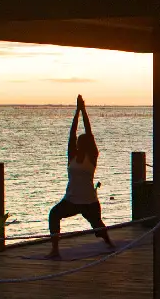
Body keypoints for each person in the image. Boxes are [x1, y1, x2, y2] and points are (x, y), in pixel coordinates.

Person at [48, 95, 114, 260]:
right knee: (54, 215)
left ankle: (109, 242)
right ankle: (55, 249)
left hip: (89, 201)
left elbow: (89, 132)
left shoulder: (92, 157)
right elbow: (72, 133)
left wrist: (84, 111)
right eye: (76, 142)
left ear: (86, 145)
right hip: (71, 200)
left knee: (98, 228)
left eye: (80, 142)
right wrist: (76, 111)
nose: (76, 143)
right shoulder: (72, 157)